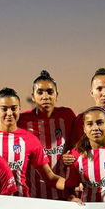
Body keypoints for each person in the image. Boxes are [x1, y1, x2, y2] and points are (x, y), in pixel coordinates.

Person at [0, 88, 63, 197]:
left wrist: (72, 185)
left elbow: (49, 177)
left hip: (21, 204)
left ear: (19, 109)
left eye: (13, 108)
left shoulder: (30, 139)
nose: (9, 113)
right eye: (4, 109)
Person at [18, 70, 75, 200]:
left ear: (56, 95)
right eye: (40, 92)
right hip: (34, 196)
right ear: (33, 96)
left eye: (50, 92)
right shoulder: (22, 120)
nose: (45, 96)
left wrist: (73, 153)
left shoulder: (67, 115)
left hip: (65, 194)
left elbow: (78, 144)